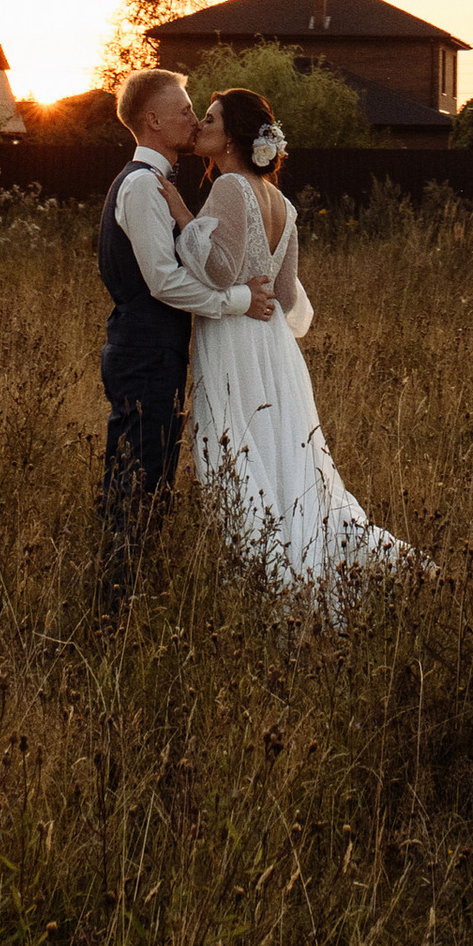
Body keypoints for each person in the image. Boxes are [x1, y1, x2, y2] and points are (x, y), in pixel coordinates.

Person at [164, 85, 417, 605]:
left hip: (235, 339)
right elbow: (285, 293)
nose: (201, 128)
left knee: (239, 446)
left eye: (210, 120)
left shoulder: (230, 188)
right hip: (275, 346)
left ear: (233, 137)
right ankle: (299, 556)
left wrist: (182, 218)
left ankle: (269, 575)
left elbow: (218, 270)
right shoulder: (282, 203)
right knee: (283, 453)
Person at [97, 65, 277, 589]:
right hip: (143, 351)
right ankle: (117, 593)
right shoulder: (140, 187)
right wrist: (237, 300)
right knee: (138, 475)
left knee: (147, 472)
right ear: (152, 120)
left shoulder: (155, 184)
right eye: (184, 111)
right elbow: (164, 282)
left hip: (154, 350)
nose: (194, 120)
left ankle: (127, 583)